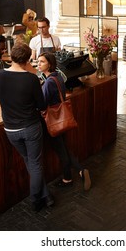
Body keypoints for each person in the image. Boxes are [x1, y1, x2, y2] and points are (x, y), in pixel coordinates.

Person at [0, 42, 53, 212]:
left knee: (30, 161)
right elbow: (41, 106)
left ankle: (46, 195)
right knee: (35, 164)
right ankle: (36, 200)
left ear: (11, 57)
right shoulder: (31, 78)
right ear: (28, 59)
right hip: (30, 127)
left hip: (10, 130)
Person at [38, 52, 91, 190]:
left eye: (42, 62)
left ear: (49, 63)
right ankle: (78, 171)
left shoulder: (49, 82)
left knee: (62, 151)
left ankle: (69, 177)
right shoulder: (58, 77)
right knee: (65, 148)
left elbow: (43, 103)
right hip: (62, 118)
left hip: (53, 120)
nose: (38, 64)